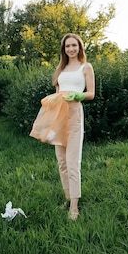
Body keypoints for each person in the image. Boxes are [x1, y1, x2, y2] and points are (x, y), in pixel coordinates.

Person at [52, 33, 95, 221]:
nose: (71, 49)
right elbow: (57, 93)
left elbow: (91, 93)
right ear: (64, 49)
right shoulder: (61, 68)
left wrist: (78, 96)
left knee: (72, 162)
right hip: (59, 115)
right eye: (67, 46)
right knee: (61, 161)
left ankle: (74, 207)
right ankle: (67, 197)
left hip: (75, 114)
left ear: (80, 47)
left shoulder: (86, 67)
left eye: (74, 46)